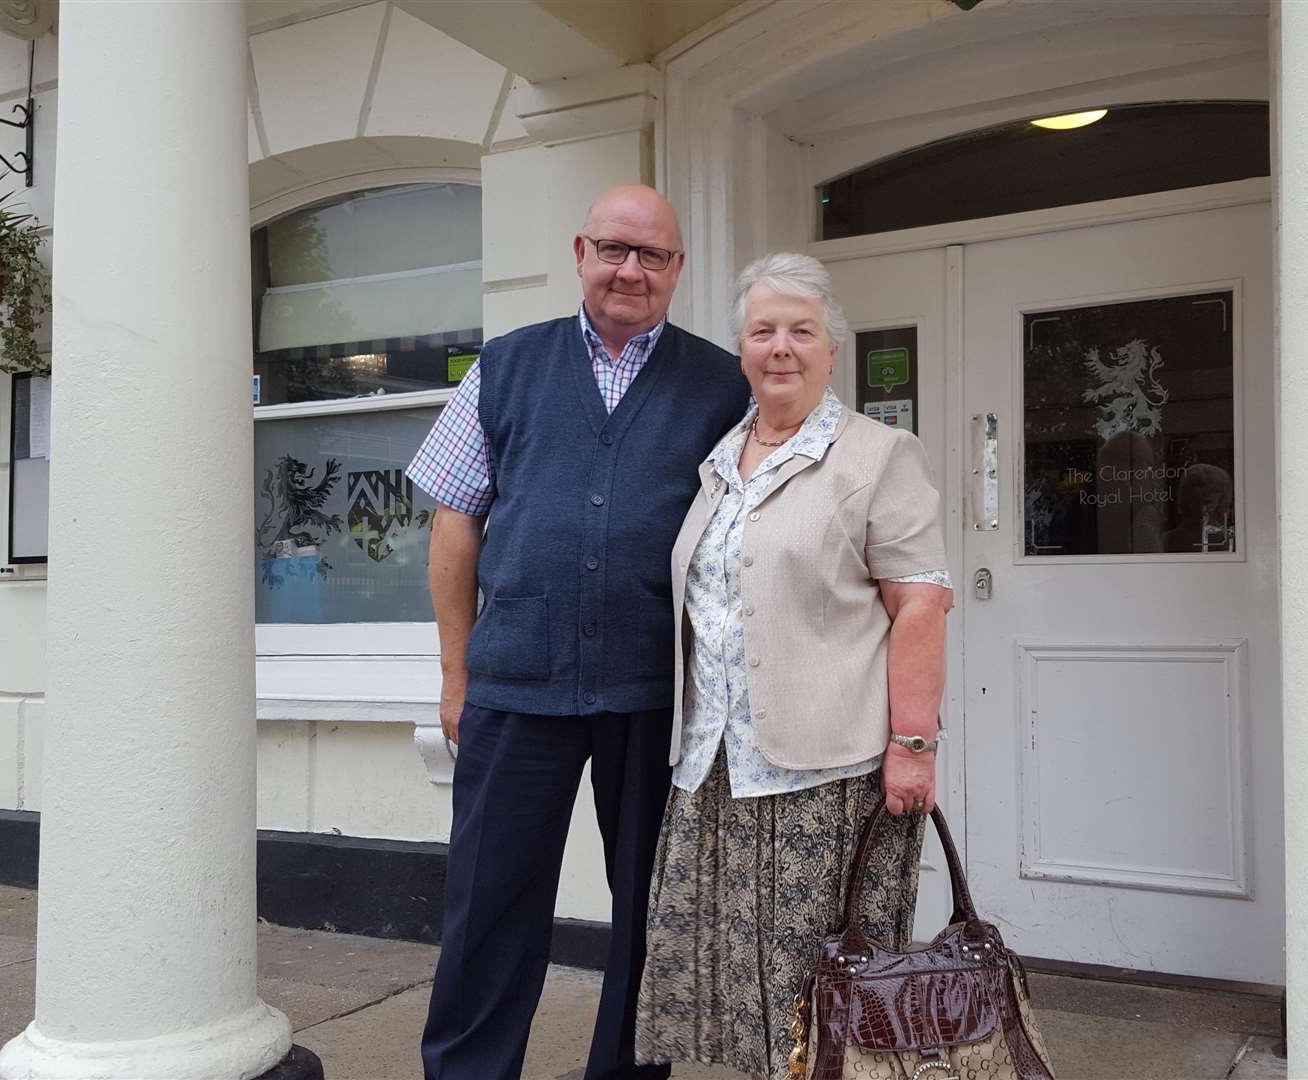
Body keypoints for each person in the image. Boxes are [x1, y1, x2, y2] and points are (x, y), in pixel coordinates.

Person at [407, 184, 749, 1080]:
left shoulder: (720, 384)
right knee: (488, 905)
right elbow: (454, 529)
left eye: (653, 256)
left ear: (679, 270)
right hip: (515, 686)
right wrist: (456, 675)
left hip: (656, 696)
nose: (630, 271)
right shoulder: (507, 365)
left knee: (649, 910)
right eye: (614, 249)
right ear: (580, 252)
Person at [633, 253, 953, 1078]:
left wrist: (913, 745)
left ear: (831, 349)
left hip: (827, 778)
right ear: (740, 349)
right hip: (715, 771)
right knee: (742, 998)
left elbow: (919, 604)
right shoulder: (719, 460)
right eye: (763, 330)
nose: (781, 347)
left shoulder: (879, 455)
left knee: (830, 998)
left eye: (801, 331)